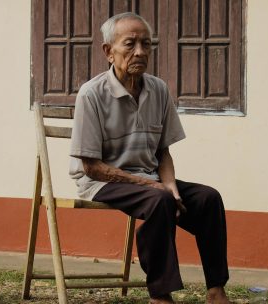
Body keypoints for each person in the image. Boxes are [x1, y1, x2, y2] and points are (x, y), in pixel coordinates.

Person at [69, 12, 230, 304]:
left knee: (208, 199)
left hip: (149, 178)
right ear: (108, 51)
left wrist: (169, 185)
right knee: (159, 200)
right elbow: (90, 165)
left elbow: (162, 152)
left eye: (146, 44)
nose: (140, 51)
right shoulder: (91, 94)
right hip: (100, 179)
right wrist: (154, 188)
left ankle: (216, 290)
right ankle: (160, 294)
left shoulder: (158, 89)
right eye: (130, 44)